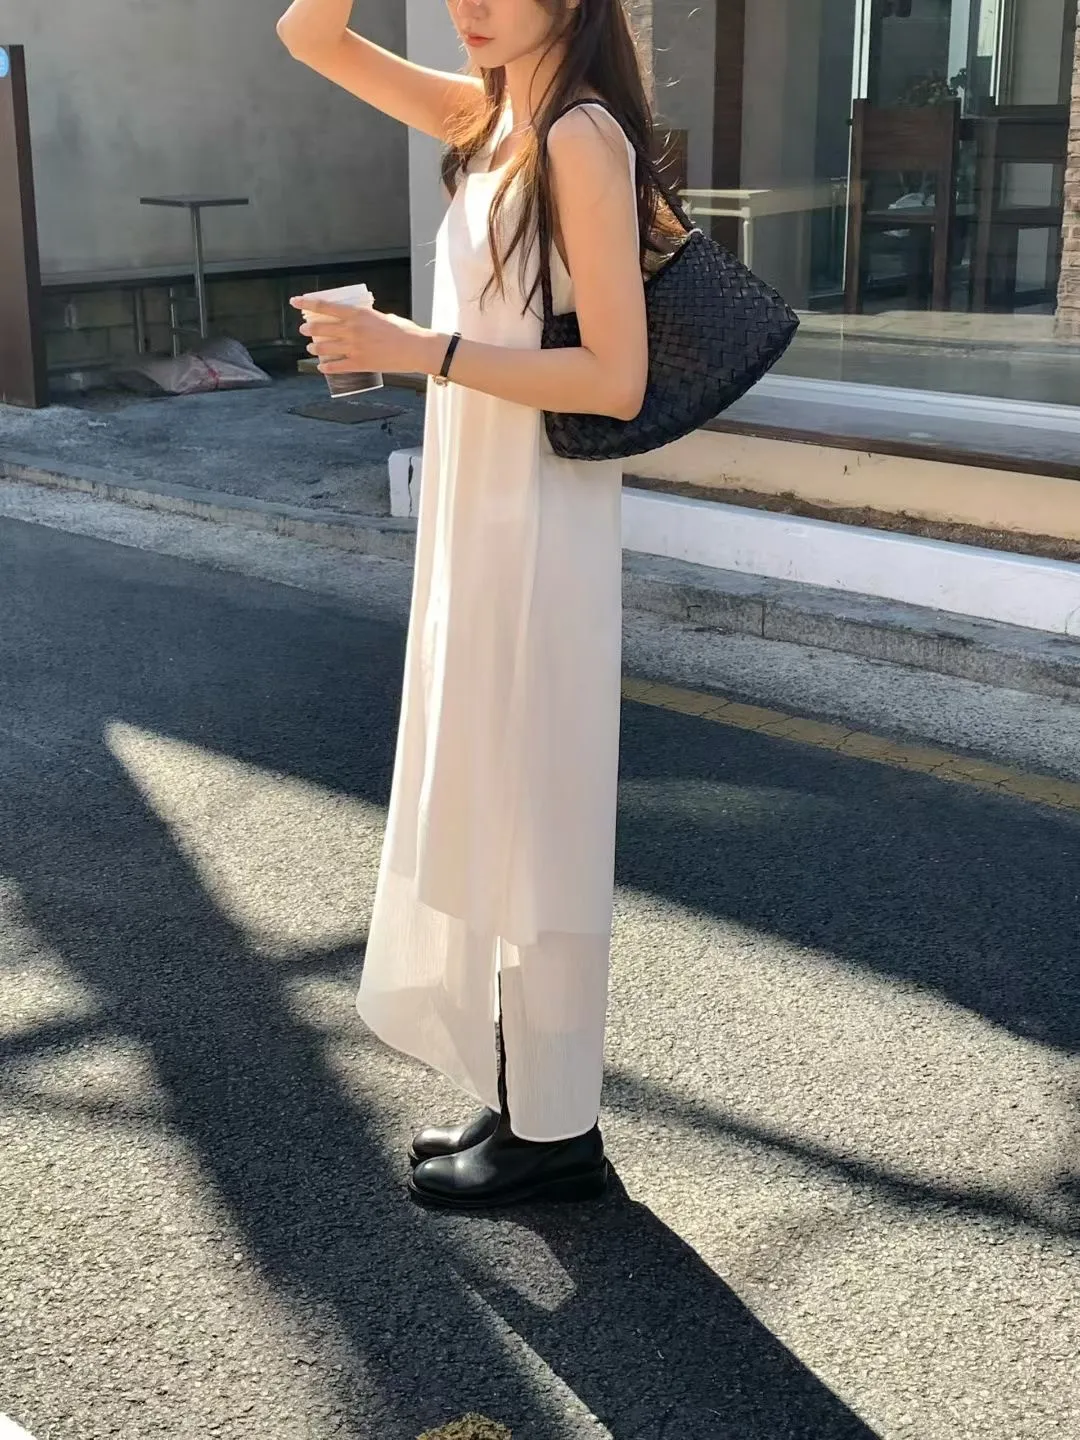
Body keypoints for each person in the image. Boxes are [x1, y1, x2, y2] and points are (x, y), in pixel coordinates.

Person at [278, 0, 675, 1211]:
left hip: (541, 516)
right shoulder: (489, 116)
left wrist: (417, 350)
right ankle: (528, 1095)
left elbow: (617, 376)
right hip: (486, 511)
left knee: (540, 812)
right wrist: (413, 352)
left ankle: (559, 1131)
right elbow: (310, 38)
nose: (472, 6)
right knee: (499, 799)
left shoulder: (579, 136)